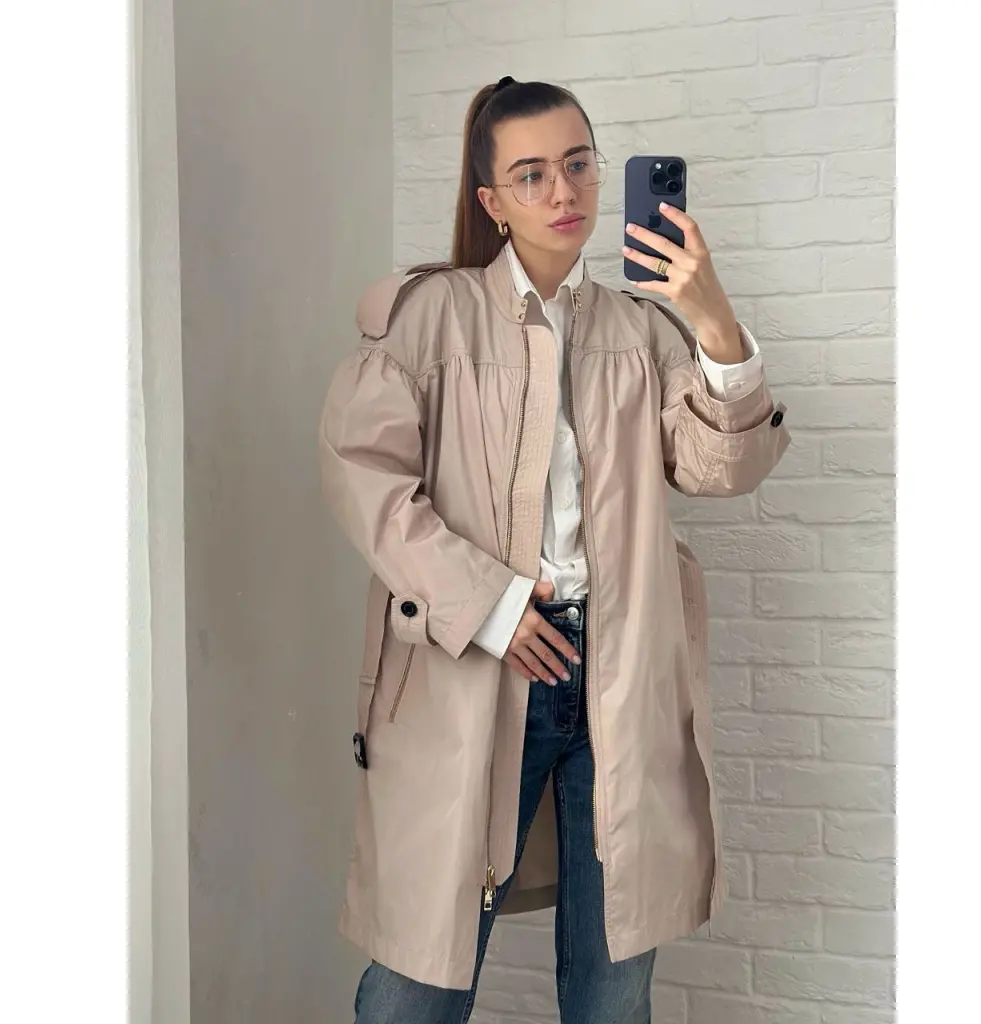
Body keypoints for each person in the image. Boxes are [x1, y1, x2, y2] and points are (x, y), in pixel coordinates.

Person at [319, 76, 790, 1024]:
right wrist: (494, 607)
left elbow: (722, 468)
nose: (563, 191)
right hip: (475, 667)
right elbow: (363, 476)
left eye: (578, 164)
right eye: (531, 174)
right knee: (418, 976)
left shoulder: (641, 329)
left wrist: (711, 318)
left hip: (618, 679)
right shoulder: (427, 317)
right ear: (491, 201)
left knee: (614, 983)